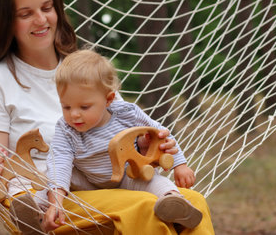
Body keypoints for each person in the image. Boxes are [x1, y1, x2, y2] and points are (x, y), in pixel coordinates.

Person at [0, 0, 214, 235]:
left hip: (111, 184)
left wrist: (145, 145)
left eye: (47, 8)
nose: (40, 20)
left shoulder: (85, 71)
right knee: (143, 206)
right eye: (25, 14)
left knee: (193, 201)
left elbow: (118, 133)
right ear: (7, 21)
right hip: (50, 199)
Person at [44, 49, 202, 232]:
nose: (74, 114)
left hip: (127, 175)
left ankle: (174, 204)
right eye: (66, 106)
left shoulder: (127, 113)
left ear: (109, 99)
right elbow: (60, 161)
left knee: (152, 180)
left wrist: (180, 165)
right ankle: (41, 212)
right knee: (52, 179)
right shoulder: (66, 128)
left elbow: (160, 134)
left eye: (84, 107)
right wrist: (56, 201)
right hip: (86, 180)